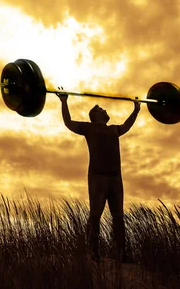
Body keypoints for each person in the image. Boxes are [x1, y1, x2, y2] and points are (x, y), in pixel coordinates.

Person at [57, 90, 140, 264]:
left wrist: (136, 110)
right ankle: (93, 252)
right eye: (102, 109)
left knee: (118, 216)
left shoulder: (113, 130)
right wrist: (64, 102)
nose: (105, 111)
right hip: (97, 177)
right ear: (96, 115)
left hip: (116, 178)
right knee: (95, 214)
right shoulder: (88, 127)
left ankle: (121, 254)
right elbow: (68, 123)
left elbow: (127, 125)